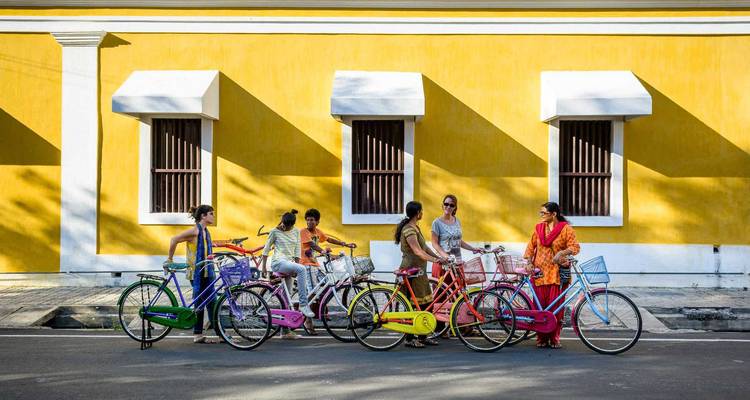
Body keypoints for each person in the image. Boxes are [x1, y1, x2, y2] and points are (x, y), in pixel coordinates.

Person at [523, 201, 580, 349]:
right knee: (540, 307)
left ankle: (554, 338)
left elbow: (575, 247)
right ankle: (541, 338)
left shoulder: (565, 229)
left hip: (556, 274)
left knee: (556, 308)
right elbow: (530, 248)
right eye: (540, 212)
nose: (541, 215)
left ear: (554, 214)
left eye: (544, 213)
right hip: (539, 273)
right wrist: (529, 262)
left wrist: (562, 252)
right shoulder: (538, 228)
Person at [396, 201, 448, 348]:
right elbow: (418, 251)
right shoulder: (408, 230)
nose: (422, 213)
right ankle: (410, 338)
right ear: (418, 213)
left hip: (420, 272)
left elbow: (425, 247)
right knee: (413, 306)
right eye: (421, 211)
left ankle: (423, 335)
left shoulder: (415, 228)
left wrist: (439, 258)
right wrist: (435, 260)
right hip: (410, 271)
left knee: (427, 305)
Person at [165, 205, 218, 344]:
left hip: (206, 271)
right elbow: (174, 239)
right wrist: (170, 259)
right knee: (200, 303)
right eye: (211, 214)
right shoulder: (195, 231)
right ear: (203, 216)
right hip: (196, 273)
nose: (213, 216)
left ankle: (218, 333)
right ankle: (198, 334)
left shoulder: (206, 232)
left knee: (212, 302)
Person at [299, 208, 356, 335]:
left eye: (312, 220)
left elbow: (328, 239)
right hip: (306, 265)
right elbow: (311, 245)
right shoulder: (303, 232)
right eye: (307, 220)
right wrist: (322, 251)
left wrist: (344, 244)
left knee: (326, 286)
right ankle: (307, 321)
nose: (309, 222)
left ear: (317, 222)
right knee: (313, 292)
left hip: (315, 264)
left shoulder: (318, 232)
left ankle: (322, 310)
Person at [261, 209, 315, 340]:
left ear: (292, 225)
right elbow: (266, 249)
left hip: (289, 264)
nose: (285, 227)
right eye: (284, 225)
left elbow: (297, 250)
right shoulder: (275, 232)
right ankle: (303, 304)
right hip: (278, 263)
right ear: (282, 222)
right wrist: (263, 267)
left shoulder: (296, 231)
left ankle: (285, 332)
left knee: (286, 299)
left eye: (288, 226)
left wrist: (296, 266)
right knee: (302, 269)